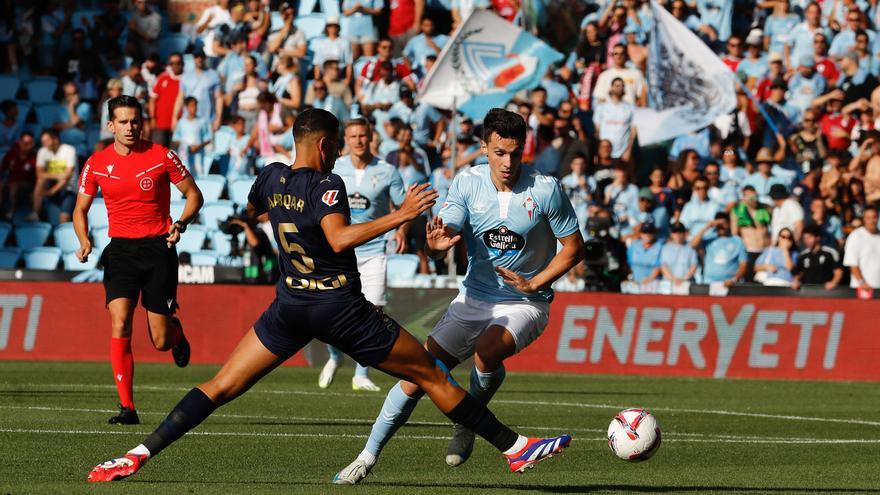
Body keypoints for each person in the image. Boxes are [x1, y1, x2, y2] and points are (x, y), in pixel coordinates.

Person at [86, 108, 571, 483]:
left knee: (221, 387)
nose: (338, 154)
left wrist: (268, 224)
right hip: (340, 310)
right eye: (335, 146)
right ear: (322, 145)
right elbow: (338, 239)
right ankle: (514, 448)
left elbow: (254, 210)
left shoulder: (270, 176)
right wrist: (399, 216)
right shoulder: (328, 184)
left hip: (289, 308)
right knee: (429, 371)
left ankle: (136, 455)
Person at [333, 108, 583, 483]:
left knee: (489, 348)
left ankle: (468, 423)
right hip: (472, 298)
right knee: (417, 376)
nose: (508, 162)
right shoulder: (466, 183)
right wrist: (435, 247)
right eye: (500, 153)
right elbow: (443, 234)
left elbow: (574, 248)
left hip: (525, 302)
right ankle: (366, 457)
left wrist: (536, 283)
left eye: (515, 153)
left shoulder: (545, 188)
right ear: (484, 148)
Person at [72, 95, 205, 425]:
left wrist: (181, 223)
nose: (130, 127)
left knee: (159, 341)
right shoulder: (97, 163)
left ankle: (176, 333)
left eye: (135, 121)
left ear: (141, 123)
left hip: (159, 249)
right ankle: (128, 408)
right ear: (111, 125)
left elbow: (194, 195)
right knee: (120, 321)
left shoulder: (161, 156)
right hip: (120, 252)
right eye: (123, 121)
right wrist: (84, 238)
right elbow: (80, 209)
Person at [317, 118, 406, 392]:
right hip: (340, 250)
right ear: (346, 138)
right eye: (353, 136)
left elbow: (404, 206)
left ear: (371, 138)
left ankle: (361, 373)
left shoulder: (387, 171)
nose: (358, 140)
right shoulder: (334, 168)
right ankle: (335, 356)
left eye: (363, 136)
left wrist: (401, 230)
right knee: (332, 311)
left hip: (375, 249)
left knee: (374, 310)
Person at [31, 128, 77, 223]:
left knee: (64, 218)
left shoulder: (69, 150)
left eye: (47, 141)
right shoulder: (42, 151)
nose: (44, 144)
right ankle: (35, 213)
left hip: (68, 189)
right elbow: (39, 174)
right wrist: (59, 175)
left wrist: (52, 191)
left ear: (55, 139)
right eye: (43, 142)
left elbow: (67, 176)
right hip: (50, 186)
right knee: (40, 181)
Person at [693, 212, 747, 287]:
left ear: (729, 224)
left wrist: (734, 279)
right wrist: (708, 226)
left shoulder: (738, 241)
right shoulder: (710, 239)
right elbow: (693, 245)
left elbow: (743, 265)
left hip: (730, 284)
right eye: (719, 225)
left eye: (724, 224)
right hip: (709, 282)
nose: (721, 227)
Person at [792, 224, 843, 290]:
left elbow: (838, 271)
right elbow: (799, 273)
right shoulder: (803, 255)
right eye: (804, 238)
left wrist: (833, 282)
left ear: (818, 237)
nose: (806, 240)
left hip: (826, 292)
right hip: (807, 292)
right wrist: (796, 281)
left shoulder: (830, 253)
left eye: (809, 237)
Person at [843, 204, 880, 289]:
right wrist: (862, 283)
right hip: (861, 289)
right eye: (868, 218)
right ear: (864, 219)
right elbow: (852, 264)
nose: (872, 221)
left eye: (874, 217)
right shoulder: (855, 236)